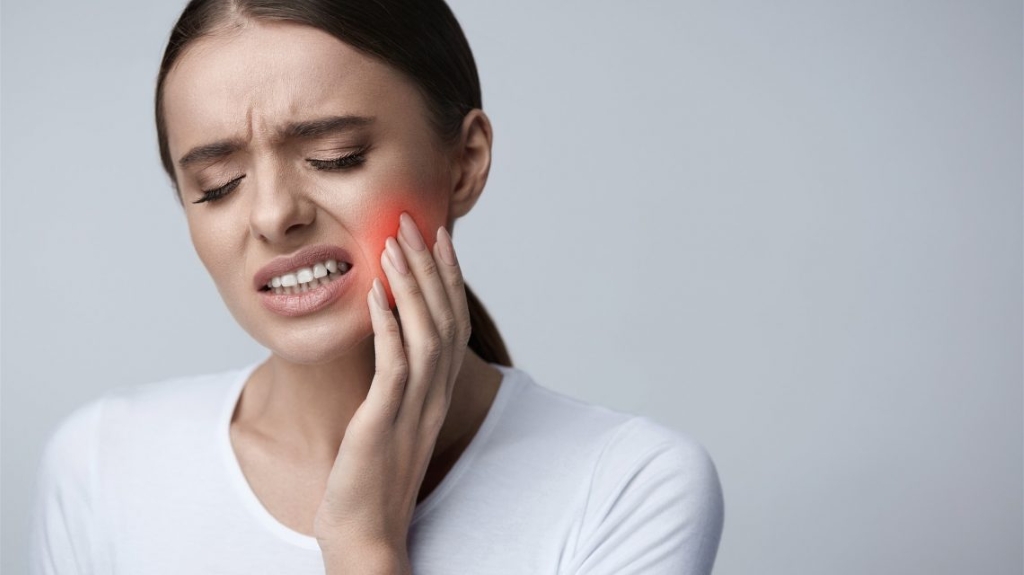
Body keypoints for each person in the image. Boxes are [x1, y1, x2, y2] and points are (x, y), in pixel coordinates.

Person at [28, 1, 725, 573]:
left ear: (464, 163)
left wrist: (365, 545)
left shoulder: (628, 484)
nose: (274, 215)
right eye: (217, 186)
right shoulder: (102, 463)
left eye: (337, 157)